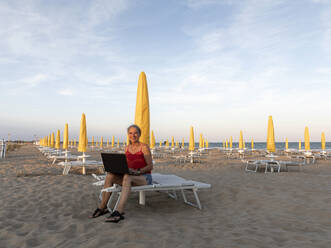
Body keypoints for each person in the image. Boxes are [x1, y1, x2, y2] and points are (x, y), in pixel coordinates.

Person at [90, 124, 153, 223]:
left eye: (136, 133)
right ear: (128, 135)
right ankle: (103, 207)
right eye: (130, 133)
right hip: (130, 175)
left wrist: (138, 171)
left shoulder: (144, 147)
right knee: (110, 175)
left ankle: (119, 212)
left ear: (139, 134)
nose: (133, 135)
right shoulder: (127, 148)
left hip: (144, 177)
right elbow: (127, 164)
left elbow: (150, 166)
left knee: (127, 177)